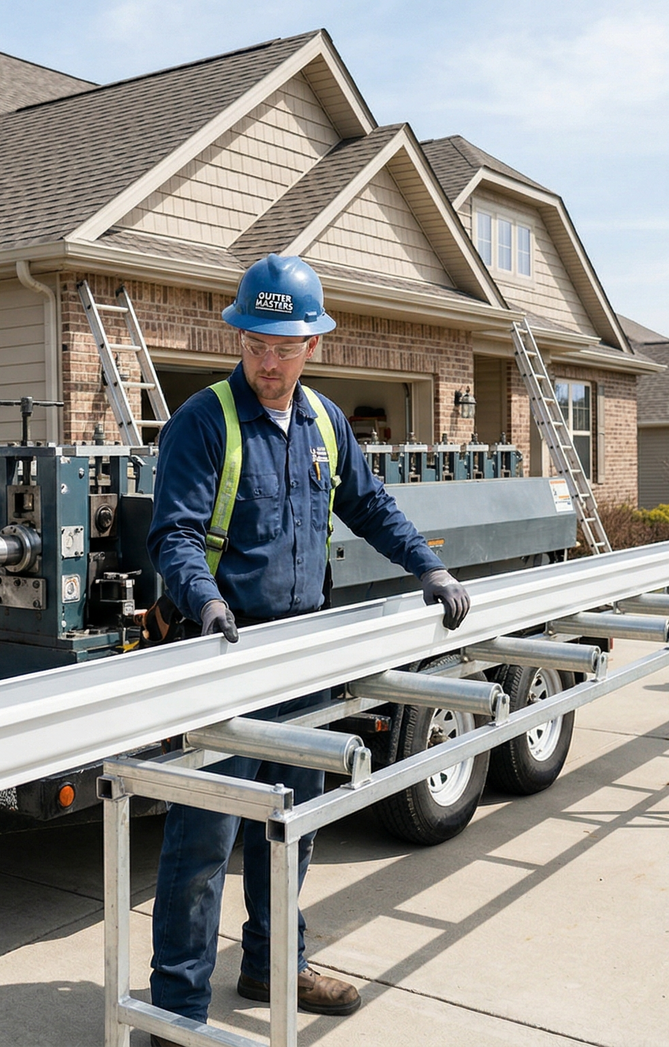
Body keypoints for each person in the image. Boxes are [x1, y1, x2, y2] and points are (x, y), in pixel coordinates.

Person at [145, 254, 470, 1041]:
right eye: (255, 342)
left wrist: (428, 564)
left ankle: (273, 963)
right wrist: (208, 601)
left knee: (292, 822)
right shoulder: (205, 422)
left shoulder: (325, 424)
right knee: (203, 842)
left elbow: (370, 503)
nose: (268, 360)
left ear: (313, 345)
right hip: (226, 659)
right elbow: (175, 534)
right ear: (241, 336)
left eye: (284, 345)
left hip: (304, 656)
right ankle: (176, 1010)